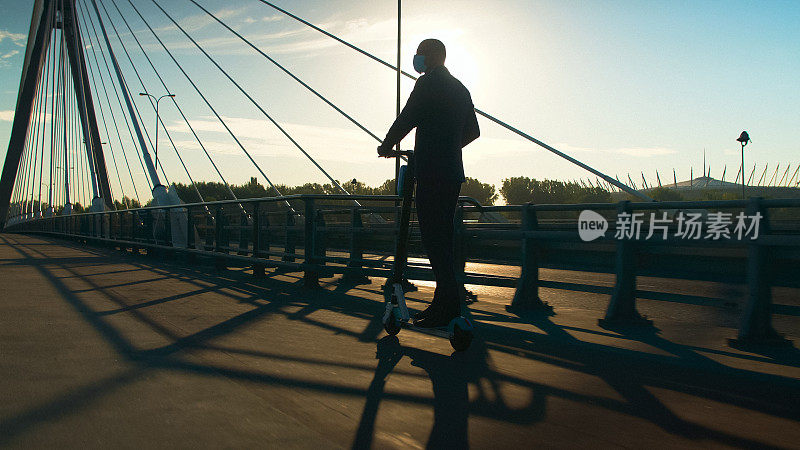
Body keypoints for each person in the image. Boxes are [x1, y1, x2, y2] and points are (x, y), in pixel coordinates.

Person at [378, 38, 480, 328]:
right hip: (451, 173)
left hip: (431, 173)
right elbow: (473, 131)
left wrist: (387, 145)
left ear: (434, 56)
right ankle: (445, 303)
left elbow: (408, 117)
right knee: (442, 240)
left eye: (420, 54)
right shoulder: (460, 88)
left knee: (434, 240)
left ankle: (446, 307)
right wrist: (449, 147)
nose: (417, 59)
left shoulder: (427, 84)